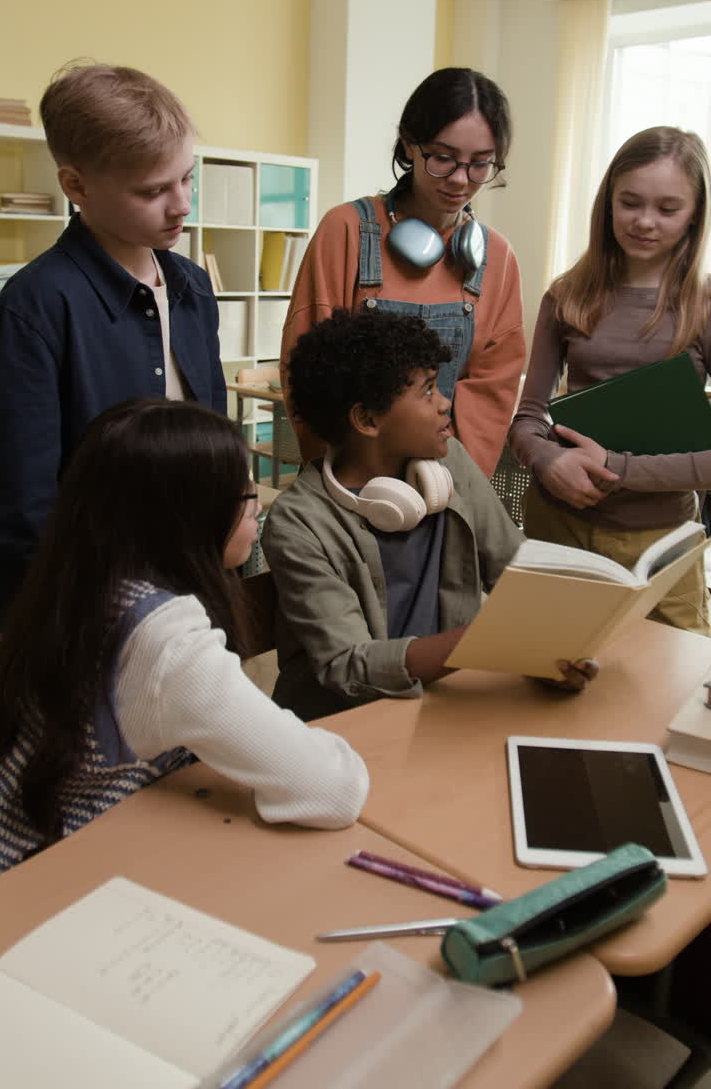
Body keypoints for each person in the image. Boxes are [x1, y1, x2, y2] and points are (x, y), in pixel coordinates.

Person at [0, 398, 369, 876]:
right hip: (38, 891)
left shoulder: (88, 582)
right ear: (184, 513)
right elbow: (332, 789)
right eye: (240, 491)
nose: (256, 503)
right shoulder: (164, 639)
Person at [262, 309, 594, 720]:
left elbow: (515, 567)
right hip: (344, 724)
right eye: (427, 392)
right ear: (367, 419)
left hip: (447, 702)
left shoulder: (448, 462)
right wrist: (487, 642)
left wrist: (548, 654)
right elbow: (347, 666)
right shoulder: (299, 523)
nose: (445, 404)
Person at [0, 62, 227, 626]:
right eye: (153, 190)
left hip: (189, 578)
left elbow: (212, 431)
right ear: (76, 186)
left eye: (186, 178)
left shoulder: (192, 287)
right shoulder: (33, 311)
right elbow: (24, 511)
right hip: (88, 606)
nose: (182, 205)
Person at [510, 126, 711, 635]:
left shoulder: (703, 306)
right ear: (608, 203)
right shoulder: (567, 294)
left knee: (678, 689)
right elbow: (529, 416)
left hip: (662, 537)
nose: (644, 222)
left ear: (694, 216)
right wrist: (547, 458)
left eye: (667, 209)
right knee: (551, 669)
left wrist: (615, 468)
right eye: (630, 203)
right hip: (557, 524)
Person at [281, 67, 525, 478]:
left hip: (443, 479)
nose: (461, 180)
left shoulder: (496, 257)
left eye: (481, 164)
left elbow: (493, 391)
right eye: (443, 158)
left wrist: (447, 481)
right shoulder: (346, 231)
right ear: (410, 144)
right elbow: (306, 371)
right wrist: (346, 480)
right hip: (351, 480)